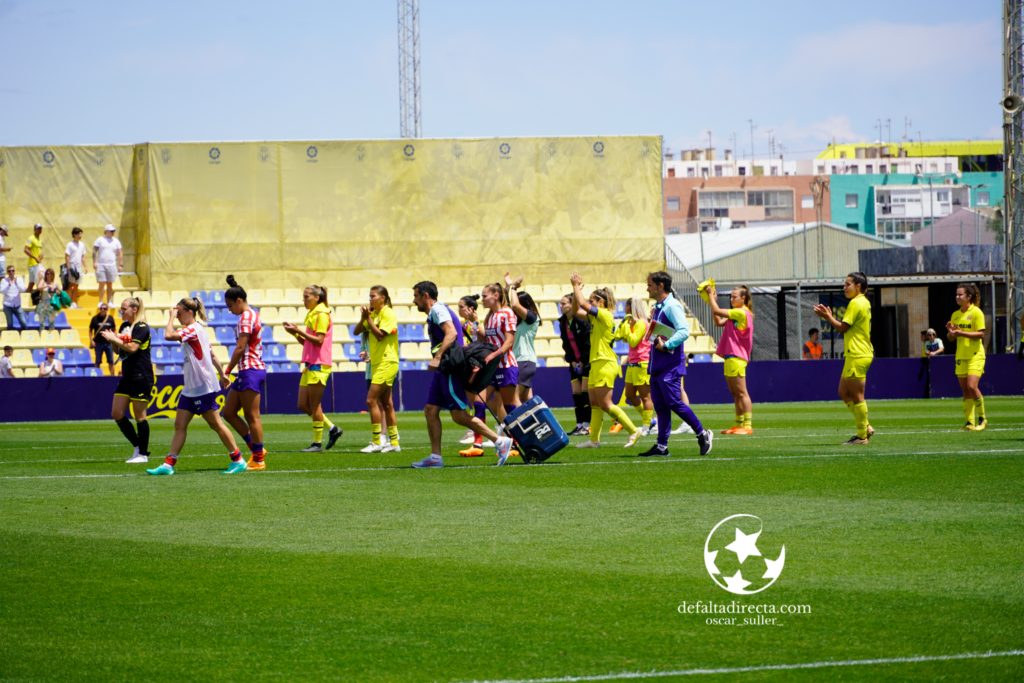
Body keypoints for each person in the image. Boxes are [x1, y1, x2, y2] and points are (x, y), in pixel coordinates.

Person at [409, 280, 513, 468]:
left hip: (448, 367)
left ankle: (499, 441)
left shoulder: (437, 309)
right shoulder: (436, 311)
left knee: (458, 415)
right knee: (430, 410)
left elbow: (451, 334)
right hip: (442, 370)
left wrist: (438, 357)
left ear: (426, 296)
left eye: (416, 296)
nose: (414, 301)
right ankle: (435, 457)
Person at [147, 297, 245, 475]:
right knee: (179, 425)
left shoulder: (192, 329)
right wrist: (222, 373)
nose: (176, 316)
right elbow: (211, 354)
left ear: (189, 312)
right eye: (175, 313)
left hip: (201, 386)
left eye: (179, 312)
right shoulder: (195, 329)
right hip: (191, 388)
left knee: (216, 424)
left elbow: (168, 335)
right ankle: (168, 465)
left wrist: (169, 317)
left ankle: (238, 460)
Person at [639, 270, 712, 457]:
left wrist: (667, 345)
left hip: (669, 363)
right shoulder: (660, 306)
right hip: (657, 365)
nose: (647, 288)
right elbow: (663, 332)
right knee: (661, 407)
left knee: (673, 402)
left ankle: (702, 433)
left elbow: (683, 331)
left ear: (660, 286)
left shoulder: (672, 306)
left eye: (649, 284)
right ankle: (661, 447)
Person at [569, 271, 641, 449]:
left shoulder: (605, 315)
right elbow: (575, 311)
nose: (591, 303)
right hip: (596, 363)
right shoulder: (597, 318)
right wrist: (575, 292)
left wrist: (576, 287)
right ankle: (594, 440)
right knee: (594, 403)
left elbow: (584, 305)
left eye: (594, 301)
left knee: (606, 403)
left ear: (601, 302)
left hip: (605, 362)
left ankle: (633, 430)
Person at [813, 272, 874, 445]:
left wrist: (828, 317)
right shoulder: (864, 302)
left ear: (858, 286)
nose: (844, 288)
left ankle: (862, 436)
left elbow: (842, 328)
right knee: (843, 391)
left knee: (857, 396)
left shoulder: (856, 303)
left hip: (858, 354)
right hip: (855, 353)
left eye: (848, 284)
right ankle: (866, 426)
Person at [282, 285, 343, 453]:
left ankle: (317, 444)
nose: (303, 299)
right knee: (302, 404)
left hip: (319, 364)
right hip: (310, 364)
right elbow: (309, 342)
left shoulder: (322, 315)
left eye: (306, 296)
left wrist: (298, 330)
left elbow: (319, 341)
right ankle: (332, 429)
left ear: (317, 298)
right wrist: (294, 333)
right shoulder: (313, 314)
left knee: (315, 405)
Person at [219, 275, 268, 469]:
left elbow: (240, 348)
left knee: (252, 415)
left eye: (230, 306)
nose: (230, 310)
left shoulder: (246, 317)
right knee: (229, 413)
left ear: (238, 301)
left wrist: (228, 370)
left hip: (250, 369)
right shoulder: (252, 314)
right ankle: (256, 448)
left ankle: (258, 459)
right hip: (248, 370)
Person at [101, 297, 153, 464]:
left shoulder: (142, 327)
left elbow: (132, 348)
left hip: (141, 375)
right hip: (127, 376)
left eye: (124, 309)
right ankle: (137, 446)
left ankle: (143, 454)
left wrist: (117, 339)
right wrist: (113, 339)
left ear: (134, 310)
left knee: (139, 415)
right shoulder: (125, 326)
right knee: (116, 413)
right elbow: (119, 350)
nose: (121, 312)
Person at [354, 285, 401, 453]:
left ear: (383, 298)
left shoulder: (388, 313)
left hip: (387, 362)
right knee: (386, 404)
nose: (370, 299)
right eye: (369, 296)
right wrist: (364, 318)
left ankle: (376, 441)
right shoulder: (374, 314)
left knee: (370, 400)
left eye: (373, 296)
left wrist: (369, 320)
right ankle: (394, 442)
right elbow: (357, 331)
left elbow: (380, 335)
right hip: (378, 362)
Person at [708, 285, 755, 435]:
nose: (731, 298)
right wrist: (712, 301)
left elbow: (717, 311)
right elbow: (717, 321)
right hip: (730, 357)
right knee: (735, 393)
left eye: (734, 296)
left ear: (743, 298)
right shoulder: (736, 314)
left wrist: (710, 296)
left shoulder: (741, 312)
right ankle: (738, 424)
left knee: (742, 393)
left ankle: (747, 426)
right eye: (731, 296)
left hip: (737, 357)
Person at [946, 283, 987, 431]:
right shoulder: (955, 315)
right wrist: (951, 333)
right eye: (956, 294)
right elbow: (951, 338)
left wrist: (961, 333)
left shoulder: (976, 312)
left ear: (969, 296)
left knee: (971, 386)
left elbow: (981, 334)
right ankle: (969, 422)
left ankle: (982, 419)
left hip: (975, 355)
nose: (957, 297)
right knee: (965, 390)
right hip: (961, 355)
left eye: (960, 294)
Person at [612, 296, 655, 435]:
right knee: (629, 394)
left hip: (642, 362)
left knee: (645, 396)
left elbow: (633, 341)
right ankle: (650, 422)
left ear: (630, 307)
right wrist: (624, 323)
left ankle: (647, 426)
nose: (624, 308)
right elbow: (618, 336)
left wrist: (626, 327)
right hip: (633, 363)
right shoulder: (632, 323)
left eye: (626, 306)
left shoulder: (641, 323)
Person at [456, 294, 493, 456]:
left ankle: (494, 435)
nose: (458, 309)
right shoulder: (463, 324)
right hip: (470, 364)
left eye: (461, 306)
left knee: (487, 402)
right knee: (476, 401)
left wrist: (477, 324)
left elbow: (484, 339)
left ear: (471, 309)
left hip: (482, 364)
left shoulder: (478, 323)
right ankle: (478, 437)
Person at [479, 282, 521, 424]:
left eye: (484, 296)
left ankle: (517, 440)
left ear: (496, 296)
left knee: (509, 406)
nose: (482, 299)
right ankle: (477, 444)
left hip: (506, 365)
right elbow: (487, 340)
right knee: (479, 401)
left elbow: (509, 341)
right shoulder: (489, 316)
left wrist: (495, 356)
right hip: (492, 367)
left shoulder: (507, 313)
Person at [558, 293, 592, 435]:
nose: (561, 306)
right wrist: (571, 360)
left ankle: (587, 426)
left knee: (585, 395)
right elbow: (565, 344)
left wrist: (583, 361)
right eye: (560, 303)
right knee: (576, 395)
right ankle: (579, 425)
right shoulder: (562, 322)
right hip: (574, 364)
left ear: (572, 305)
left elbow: (587, 343)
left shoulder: (583, 321)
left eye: (564, 303)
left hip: (587, 363)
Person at [505, 272, 541, 404]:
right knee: (527, 399)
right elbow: (506, 306)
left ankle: (522, 425)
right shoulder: (519, 319)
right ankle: (543, 423)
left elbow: (514, 305)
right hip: (520, 361)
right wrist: (507, 287)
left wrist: (514, 288)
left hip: (524, 360)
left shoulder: (531, 317)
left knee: (513, 398)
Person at [93, 224, 123, 305]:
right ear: (106, 231)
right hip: (101, 265)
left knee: (110, 284)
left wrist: (121, 265)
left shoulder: (116, 241)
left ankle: (109, 301)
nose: (113, 232)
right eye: (111, 231)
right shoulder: (100, 239)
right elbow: (94, 251)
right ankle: (101, 301)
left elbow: (120, 253)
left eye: (114, 231)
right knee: (101, 283)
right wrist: (94, 262)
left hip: (112, 265)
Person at [89, 302, 117, 375]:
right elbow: (90, 330)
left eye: (104, 308)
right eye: (101, 308)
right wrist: (91, 340)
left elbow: (114, 329)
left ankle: (112, 376)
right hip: (98, 343)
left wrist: (115, 339)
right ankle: (97, 376)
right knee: (98, 361)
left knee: (111, 361)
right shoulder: (95, 318)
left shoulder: (110, 318)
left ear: (107, 310)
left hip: (109, 343)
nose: (102, 310)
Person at [64, 227, 87, 308]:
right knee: (71, 285)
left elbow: (83, 256)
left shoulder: (82, 244)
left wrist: (85, 266)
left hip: (79, 268)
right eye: (78, 234)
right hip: (72, 267)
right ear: (74, 234)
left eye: (81, 234)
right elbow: (67, 256)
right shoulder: (70, 244)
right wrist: (68, 267)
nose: (80, 235)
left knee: (76, 285)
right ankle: (68, 303)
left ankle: (74, 302)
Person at [2, 265, 29, 330]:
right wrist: (8, 285)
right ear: (7, 272)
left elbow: (23, 289)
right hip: (7, 305)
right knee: (10, 324)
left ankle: (23, 335)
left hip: (17, 305)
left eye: (12, 270)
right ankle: (11, 338)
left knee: (23, 323)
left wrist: (17, 284)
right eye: (9, 271)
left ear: (14, 271)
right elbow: (2, 291)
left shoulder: (19, 279)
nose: (11, 272)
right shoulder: (4, 281)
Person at [24, 223, 43, 292]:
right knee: (31, 284)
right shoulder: (31, 238)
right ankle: (24, 299)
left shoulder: (39, 239)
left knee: (39, 283)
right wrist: (35, 258)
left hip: (37, 264)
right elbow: (26, 250)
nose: (40, 230)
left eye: (40, 228)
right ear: (34, 230)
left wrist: (40, 256)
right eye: (38, 228)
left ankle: (37, 300)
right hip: (32, 264)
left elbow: (37, 252)